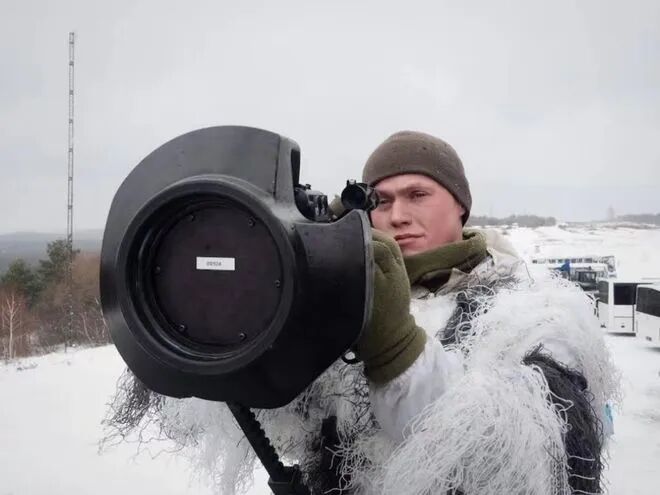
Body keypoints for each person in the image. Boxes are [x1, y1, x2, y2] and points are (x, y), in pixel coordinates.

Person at [105, 131, 618, 495]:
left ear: (461, 205)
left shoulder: (533, 312)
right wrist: (225, 310)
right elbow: (236, 417)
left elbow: (541, 467)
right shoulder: (335, 303)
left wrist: (396, 349)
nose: (397, 215)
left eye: (418, 195)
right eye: (380, 200)